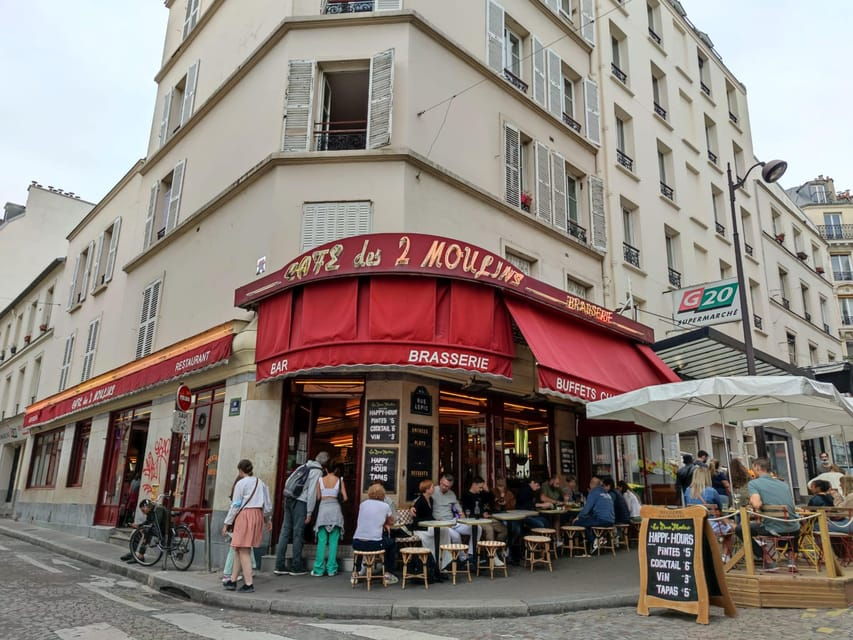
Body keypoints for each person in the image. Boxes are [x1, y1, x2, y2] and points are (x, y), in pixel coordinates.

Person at [735, 457, 799, 572]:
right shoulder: (784, 484)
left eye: (753, 468)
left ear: (757, 467)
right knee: (786, 527)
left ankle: (768, 560)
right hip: (793, 528)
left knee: (740, 529)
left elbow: (756, 504)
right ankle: (791, 561)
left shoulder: (754, 483)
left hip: (772, 528)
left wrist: (753, 502)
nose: (752, 471)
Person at [222, 459, 273, 593]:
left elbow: (235, 505)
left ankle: (249, 584)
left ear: (240, 470)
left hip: (244, 516)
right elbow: (267, 505)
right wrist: (267, 520)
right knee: (238, 548)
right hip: (258, 515)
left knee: (243, 550)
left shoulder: (240, 483)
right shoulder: (261, 483)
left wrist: (227, 523)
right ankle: (233, 580)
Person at [275, 451, 329, 576]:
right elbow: (311, 493)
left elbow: (288, 481)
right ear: (325, 463)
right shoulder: (317, 471)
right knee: (298, 533)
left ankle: (279, 565)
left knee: (285, 532)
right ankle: (296, 566)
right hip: (301, 502)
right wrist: (309, 512)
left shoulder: (304, 466)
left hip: (289, 499)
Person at [351, 483, 398, 584]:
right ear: (383, 494)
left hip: (356, 542)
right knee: (391, 544)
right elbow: (391, 521)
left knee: (361, 544)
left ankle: (356, 572)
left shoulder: (363, 504)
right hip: (374, 544)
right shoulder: (385, 506)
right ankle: (388, 574)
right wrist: (385, 523)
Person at [432, 474, 479, 561]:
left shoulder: (451, 494)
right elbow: (420, 501)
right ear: (440, 481)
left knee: (477, 528)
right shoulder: (432, 491)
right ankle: (463, 558)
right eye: (444, 485)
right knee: (456, 536)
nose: (445, 488)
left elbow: (459, 510)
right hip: (441, 523)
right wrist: (412, 508)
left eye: (448, 487)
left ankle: (471, 554)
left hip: (453, 521)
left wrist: (463, 516)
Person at [311, 462, 347, 577]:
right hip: (335, 511)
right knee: (333, 541)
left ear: (325, 469)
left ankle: (318, 569)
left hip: (323, 511)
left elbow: (318, 497)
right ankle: (331, 569)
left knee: (321, 541)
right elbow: (345, 497)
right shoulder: (340, 480)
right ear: (335, 469)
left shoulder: (320, 480)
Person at [412, 479, 453, 569]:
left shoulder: (430, 499)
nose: (434, 488)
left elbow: (429, 516)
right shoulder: (420, 501)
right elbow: (416, 519)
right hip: (420, 529)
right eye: (432, 487)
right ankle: (434, 560)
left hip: (429, 526)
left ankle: (444, 559)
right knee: (441, 531)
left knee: (445, 530)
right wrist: (431, 521)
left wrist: (436, 520)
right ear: (426, 489)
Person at [120, 498, 169, 564]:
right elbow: (148, 522)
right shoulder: (150, 511)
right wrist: (138, 526)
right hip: (157, 529)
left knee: (147, 532)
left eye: (143, 510)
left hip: (163, 531)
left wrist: (144, 528)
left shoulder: (158, 509)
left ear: (146, 506)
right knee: (138, 532)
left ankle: (141, 556)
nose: (143, 512)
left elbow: (156, 524)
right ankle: (133, 553)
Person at [461, 476, 507, 545]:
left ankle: (496, 548)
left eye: (482, 487)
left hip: (487, 518)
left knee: (504, 530)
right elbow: (467, 512)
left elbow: (492, 499)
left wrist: (487, 490)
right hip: (476, 520)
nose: (481, 489)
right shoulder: (466, 495)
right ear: (474, 484)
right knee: (489, 529)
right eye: (480, 487)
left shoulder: (481, 493)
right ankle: (491, 550)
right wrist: (481, 514)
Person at [573, 475, 615, 548]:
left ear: (591, 484)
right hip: (611, 521)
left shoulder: (593, 492)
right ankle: (599, 539)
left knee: (577, 522)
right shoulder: (606, 493)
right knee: (588, 522)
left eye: (591, 483)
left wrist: (578, 517)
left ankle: (594, 541)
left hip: (601, 520)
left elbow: (586, 509)